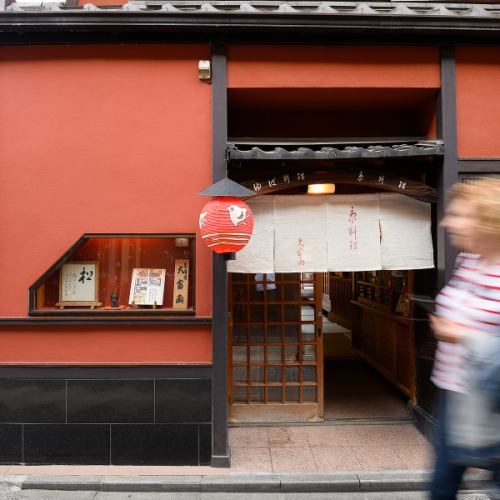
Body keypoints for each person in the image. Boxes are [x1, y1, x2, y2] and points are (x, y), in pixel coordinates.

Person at [429, 178, 500, 500]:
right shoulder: (467, 260)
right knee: (442, 485)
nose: (446, 222)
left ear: (486, 220)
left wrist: (463, 335)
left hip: (492, 397)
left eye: (458, 215)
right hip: (457, 391)